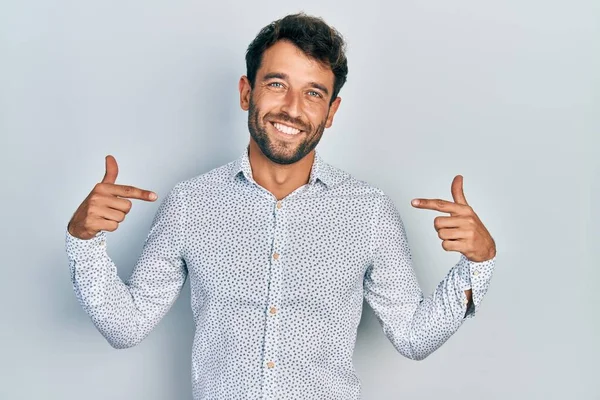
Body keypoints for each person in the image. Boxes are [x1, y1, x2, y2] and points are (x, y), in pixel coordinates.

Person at [65, 12, 496, 400]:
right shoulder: (190, 205)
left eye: (313, 93)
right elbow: (126, 326)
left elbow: (413, 337)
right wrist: (83, 241)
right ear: (245, 91)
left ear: (331, 111)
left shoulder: (368, 212)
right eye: (277, 84)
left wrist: (478, 263)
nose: (292, 109)